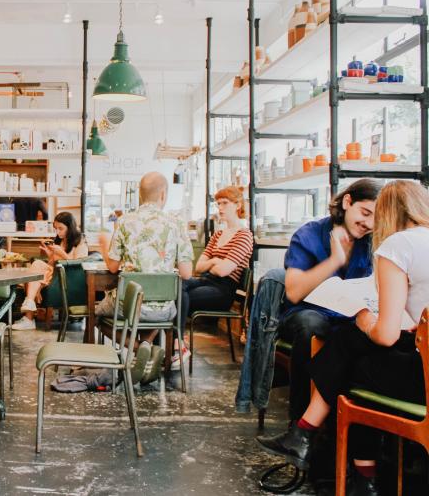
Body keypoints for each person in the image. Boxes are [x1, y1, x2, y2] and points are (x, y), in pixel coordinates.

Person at [257, 181, 429, 496]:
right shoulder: (312, 234)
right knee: (351, 346)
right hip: (420, 358)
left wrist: (365, 318)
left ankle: (312, 439)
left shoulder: (398, 246)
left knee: (356, 361)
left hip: (421, 383)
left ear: (388, 213)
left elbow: (386, 335)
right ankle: (347, 464)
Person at [278, 179, 380, 422]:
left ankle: (359, 435)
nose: (368, 223)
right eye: (365, 213)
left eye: (376, 218)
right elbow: (293, 292)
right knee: (313, 326)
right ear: (347, 202)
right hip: (306, 314)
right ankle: (300, 425)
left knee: (373, 335)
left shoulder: (373, 242)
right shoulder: (309, 234)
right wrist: (334, 261)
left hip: (351, 318)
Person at [96, 171, 194, 378]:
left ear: (140, 195)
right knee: (161, 309)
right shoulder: (177, 223)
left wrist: (104, 245)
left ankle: (139, 348)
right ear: (163, 194)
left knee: (97, 315)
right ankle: (148, 345)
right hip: (164, 310)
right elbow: (186, 273)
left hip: (128, 307)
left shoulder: (124, 222)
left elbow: (113, 267)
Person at [181, 186, 253, 320]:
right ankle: (175, 337)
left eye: (225, 203)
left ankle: (176, 337)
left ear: (238, 205)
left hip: (223, 291)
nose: (220, 208)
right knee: (177, 285)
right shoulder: (217, 234)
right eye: (218, 204)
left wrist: (211, 265)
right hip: (205, 281)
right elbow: (198, 267)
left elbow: (223, 271)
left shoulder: (244, 235)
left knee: (179, 296)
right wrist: (214, 261)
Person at [12, 212, 88, 331]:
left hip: (68, 277)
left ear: (70, 227)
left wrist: (61, 253)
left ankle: (29, 317)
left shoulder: (80, 241)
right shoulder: (60, 241)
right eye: (56, 228)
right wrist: (49, 253)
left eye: (61, 228)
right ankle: (29, 307)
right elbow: (52, 263)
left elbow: (78, 265)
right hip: (55, 273)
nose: (57, 232)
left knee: (34, 272)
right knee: (34, 271)